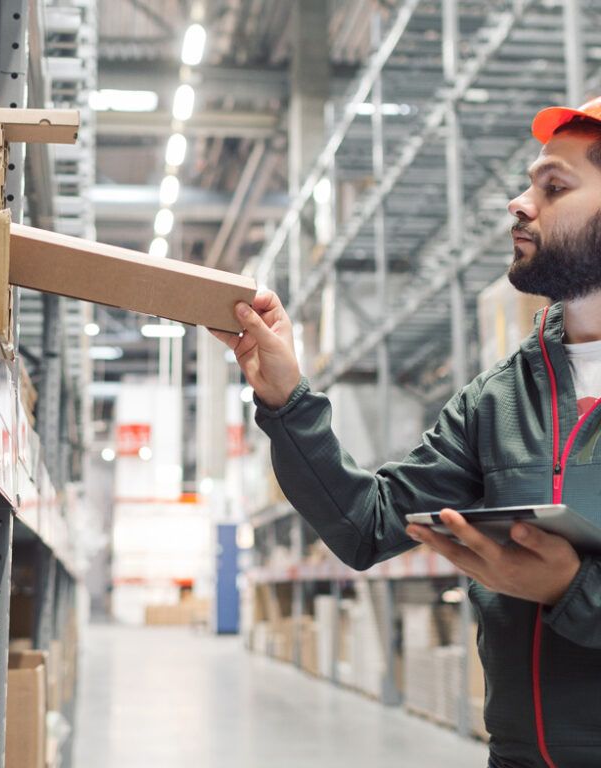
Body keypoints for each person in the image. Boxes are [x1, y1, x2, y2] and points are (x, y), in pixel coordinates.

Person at [211, 97, 601, 768]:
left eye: (553, 187)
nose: (518, 203)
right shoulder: (499, 398)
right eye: (527, 181)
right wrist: (287, 400)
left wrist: (573, 592)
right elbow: (368, 524)